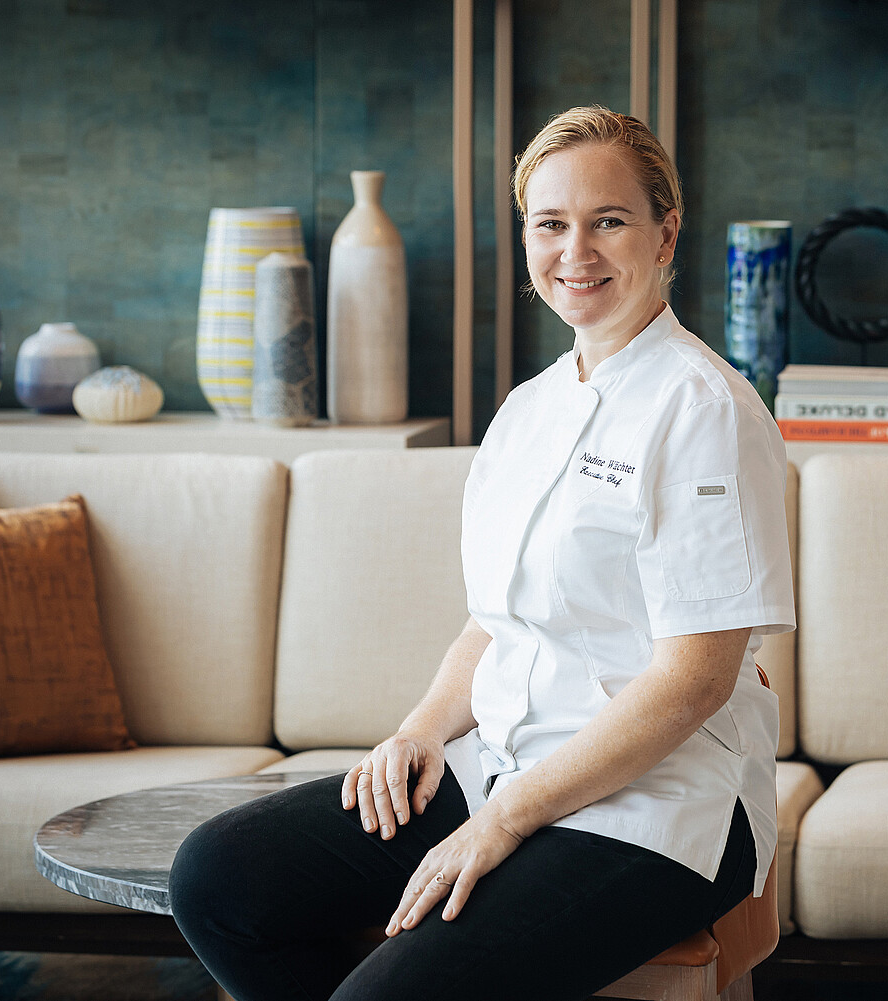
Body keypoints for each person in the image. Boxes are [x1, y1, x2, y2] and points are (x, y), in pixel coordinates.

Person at [170, 105, 795, 1001]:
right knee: (220, 877)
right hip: (500, 763)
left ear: (665, 234)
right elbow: (498, 622)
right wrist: (421, 730)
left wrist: (506, 819)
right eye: (550, 224)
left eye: (608, 221)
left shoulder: (707, 411)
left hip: (657, 805)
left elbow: (693, 681)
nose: (575, 251)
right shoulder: (527, 409)